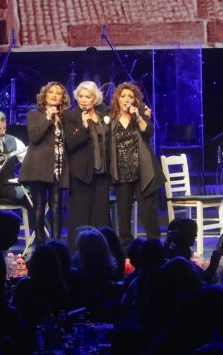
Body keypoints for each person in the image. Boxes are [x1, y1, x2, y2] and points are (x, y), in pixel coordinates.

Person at [108, 82, 163, 246]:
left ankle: (154, 247)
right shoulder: (111, 118)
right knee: (124, 216)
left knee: (149, 214)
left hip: (143, 171)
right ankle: (126, 250)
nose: (126, 99)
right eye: (123, 96)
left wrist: (138, 115)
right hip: (121, 172)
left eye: (130, 97)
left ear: (135, 100)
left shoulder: (140, 114)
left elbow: (149, 132)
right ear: (117, 98)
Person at [19, 82, 70, 244]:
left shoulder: (64, 117)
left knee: (56, 205)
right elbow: (34, 137)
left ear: (62, 98)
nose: (54, 95)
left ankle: (56, 242)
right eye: (51, 92)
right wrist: (48, 117)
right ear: (45, 95)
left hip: (58, 166)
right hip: (38, 167)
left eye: (58, 93)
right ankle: (40, 244)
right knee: (39, 205)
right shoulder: (34, 114)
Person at [63, 81, 111, 248]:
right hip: (81, 173)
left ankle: (102, 250)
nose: (83, 100)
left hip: (102, 172)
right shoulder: (71, 116)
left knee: (101, 215)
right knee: (81, 216)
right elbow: (70, 144)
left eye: (88, 96)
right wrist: (83, 126)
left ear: (95, 98)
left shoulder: (104, 112)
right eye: (81, 96)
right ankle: (77, 251)